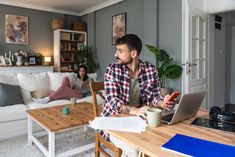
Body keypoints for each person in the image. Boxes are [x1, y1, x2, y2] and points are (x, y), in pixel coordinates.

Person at [101, 34, 175, 157]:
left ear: (133, 53)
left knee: (163, 141)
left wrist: (163, 102)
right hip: (113, 119)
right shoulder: (112, 69)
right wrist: (135, 110)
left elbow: (154, 96)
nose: (116, 54)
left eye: (120, 51)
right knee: (134, 151)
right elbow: (112, 100)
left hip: (140, 119)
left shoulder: (151, 69)